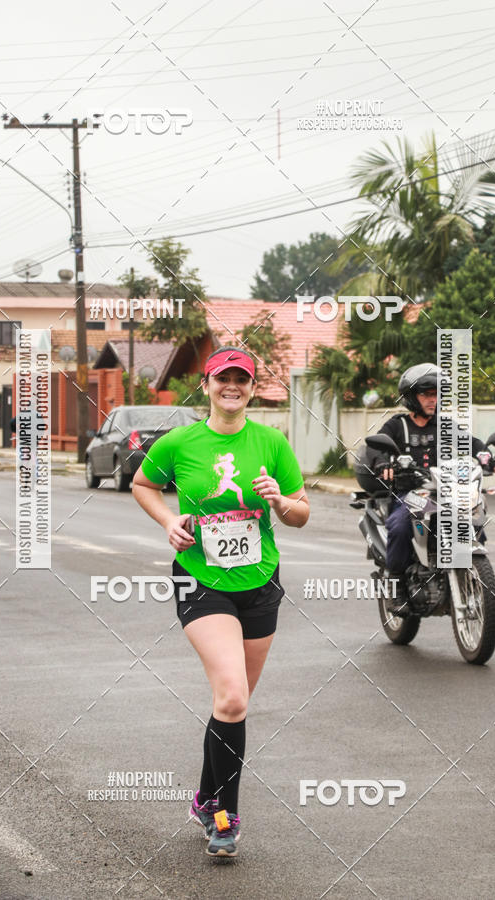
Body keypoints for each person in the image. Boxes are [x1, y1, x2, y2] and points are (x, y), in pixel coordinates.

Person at [132, 346, 309, 858]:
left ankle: (204, 797)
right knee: (232, 696)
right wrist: (169, 521)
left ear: (252, 388)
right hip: (200, 580)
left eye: (242, 379)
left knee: (232, 706)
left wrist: (279, 501)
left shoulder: (272, 442)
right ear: (206, 385)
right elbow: (144, 484)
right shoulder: (181, 442)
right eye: (222, 378)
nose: (232, 386)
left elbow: (301, 513)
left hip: (260, 583)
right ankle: (225, 818)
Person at [373, 363, 495, 614]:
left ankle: (469, 567)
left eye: (436, 394)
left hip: (443, 490)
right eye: (426, 394)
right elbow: (377, 448)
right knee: (400, 525)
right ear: (411, 397)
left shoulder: (444, 425)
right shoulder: (397, 425)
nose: (432, 399)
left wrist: (488, 457)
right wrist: (382, 463)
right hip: (410, 493)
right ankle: (397, 584)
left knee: (472, 515)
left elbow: (472, 442)